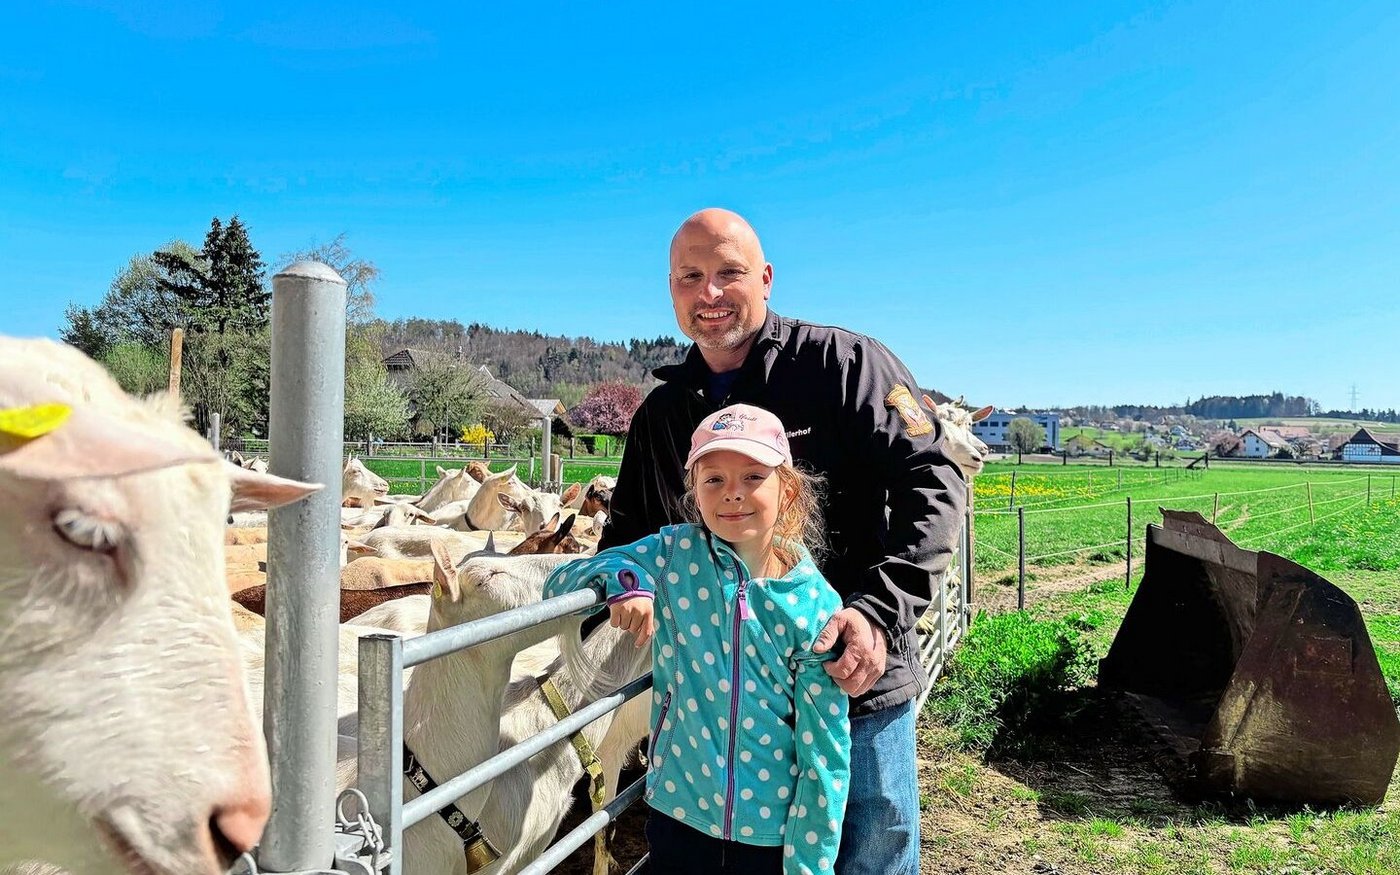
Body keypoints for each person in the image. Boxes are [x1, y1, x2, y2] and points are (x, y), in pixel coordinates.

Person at [600, 208, 969, 874]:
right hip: (724, 722)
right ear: (672, 289)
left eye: (728, 273)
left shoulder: (847, 366)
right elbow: (626, 534)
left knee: (870, 858)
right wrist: (633, 583)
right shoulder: (664, 413)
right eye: (691, 276)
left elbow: (935, 477)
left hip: (850, 679)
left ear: (765, 279)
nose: (709, 293)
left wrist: (879, 612)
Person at [545, 403, 849, 874]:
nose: (732, 494)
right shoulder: (673, 555)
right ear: (694, 490)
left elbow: (824, 748)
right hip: (677, 813)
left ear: (787, 490)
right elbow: (566, 579)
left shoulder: (812, 606)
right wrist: (629, 583)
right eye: (714, 480)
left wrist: (810, 863)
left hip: (769, 836)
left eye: (752, 477)